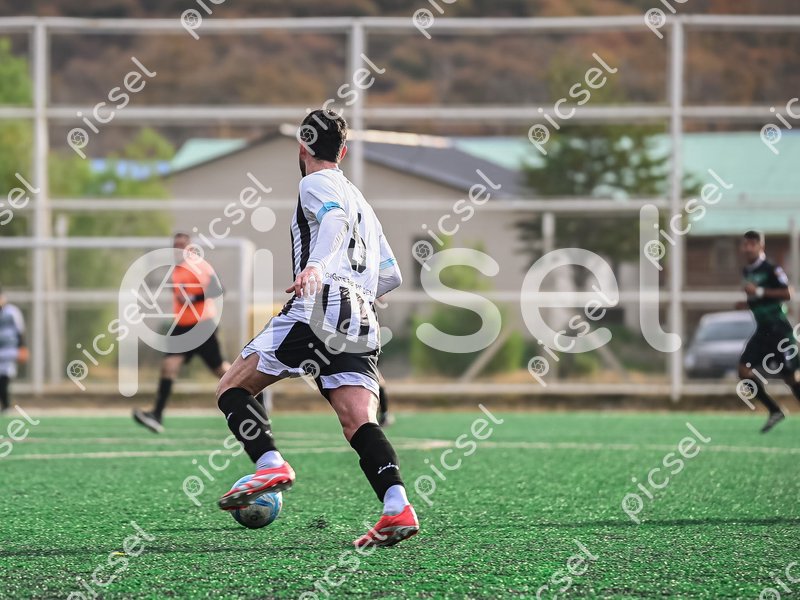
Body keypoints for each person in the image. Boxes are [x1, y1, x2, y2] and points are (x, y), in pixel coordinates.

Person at [214, 109, 418, 548]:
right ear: (342, 152)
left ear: (303, 147)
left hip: (320, 304)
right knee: (358, 420)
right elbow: (392, 274)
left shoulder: (314, 183)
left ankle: (269, 462)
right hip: (361, 316)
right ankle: (396, 505)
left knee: (232, 388)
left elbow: (333, 220)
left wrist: (317, 267)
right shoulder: (363, 203)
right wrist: (362, 290)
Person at [133, 233, 234, 433]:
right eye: (175, 246)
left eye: (182, 245)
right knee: (168, 366)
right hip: (182, 326)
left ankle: (255, 391)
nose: (178, 249)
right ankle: (157, 415)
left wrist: (194, 297)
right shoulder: (177, 269)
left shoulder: (198, 265)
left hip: (201, 325)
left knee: (220, 370)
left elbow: (218, 289)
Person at [737, 230, 800, 433]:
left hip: (779, 329)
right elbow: (756, 298)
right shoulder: (747, 271)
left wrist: (759, 291)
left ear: (761, 246)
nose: (748, 248)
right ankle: (774, 410)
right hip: (763, 330)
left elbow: (788, 293)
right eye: (745, 244)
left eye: (752, 244)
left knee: (791, 378)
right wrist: (746, 303)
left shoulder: (771, 268)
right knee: (743, 371)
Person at [0, 285, 27, 414]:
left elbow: (20, 331)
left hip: (8, 350)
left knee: (4, 376)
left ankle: (5, 405)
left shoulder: (12, 312)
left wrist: (22, 348)